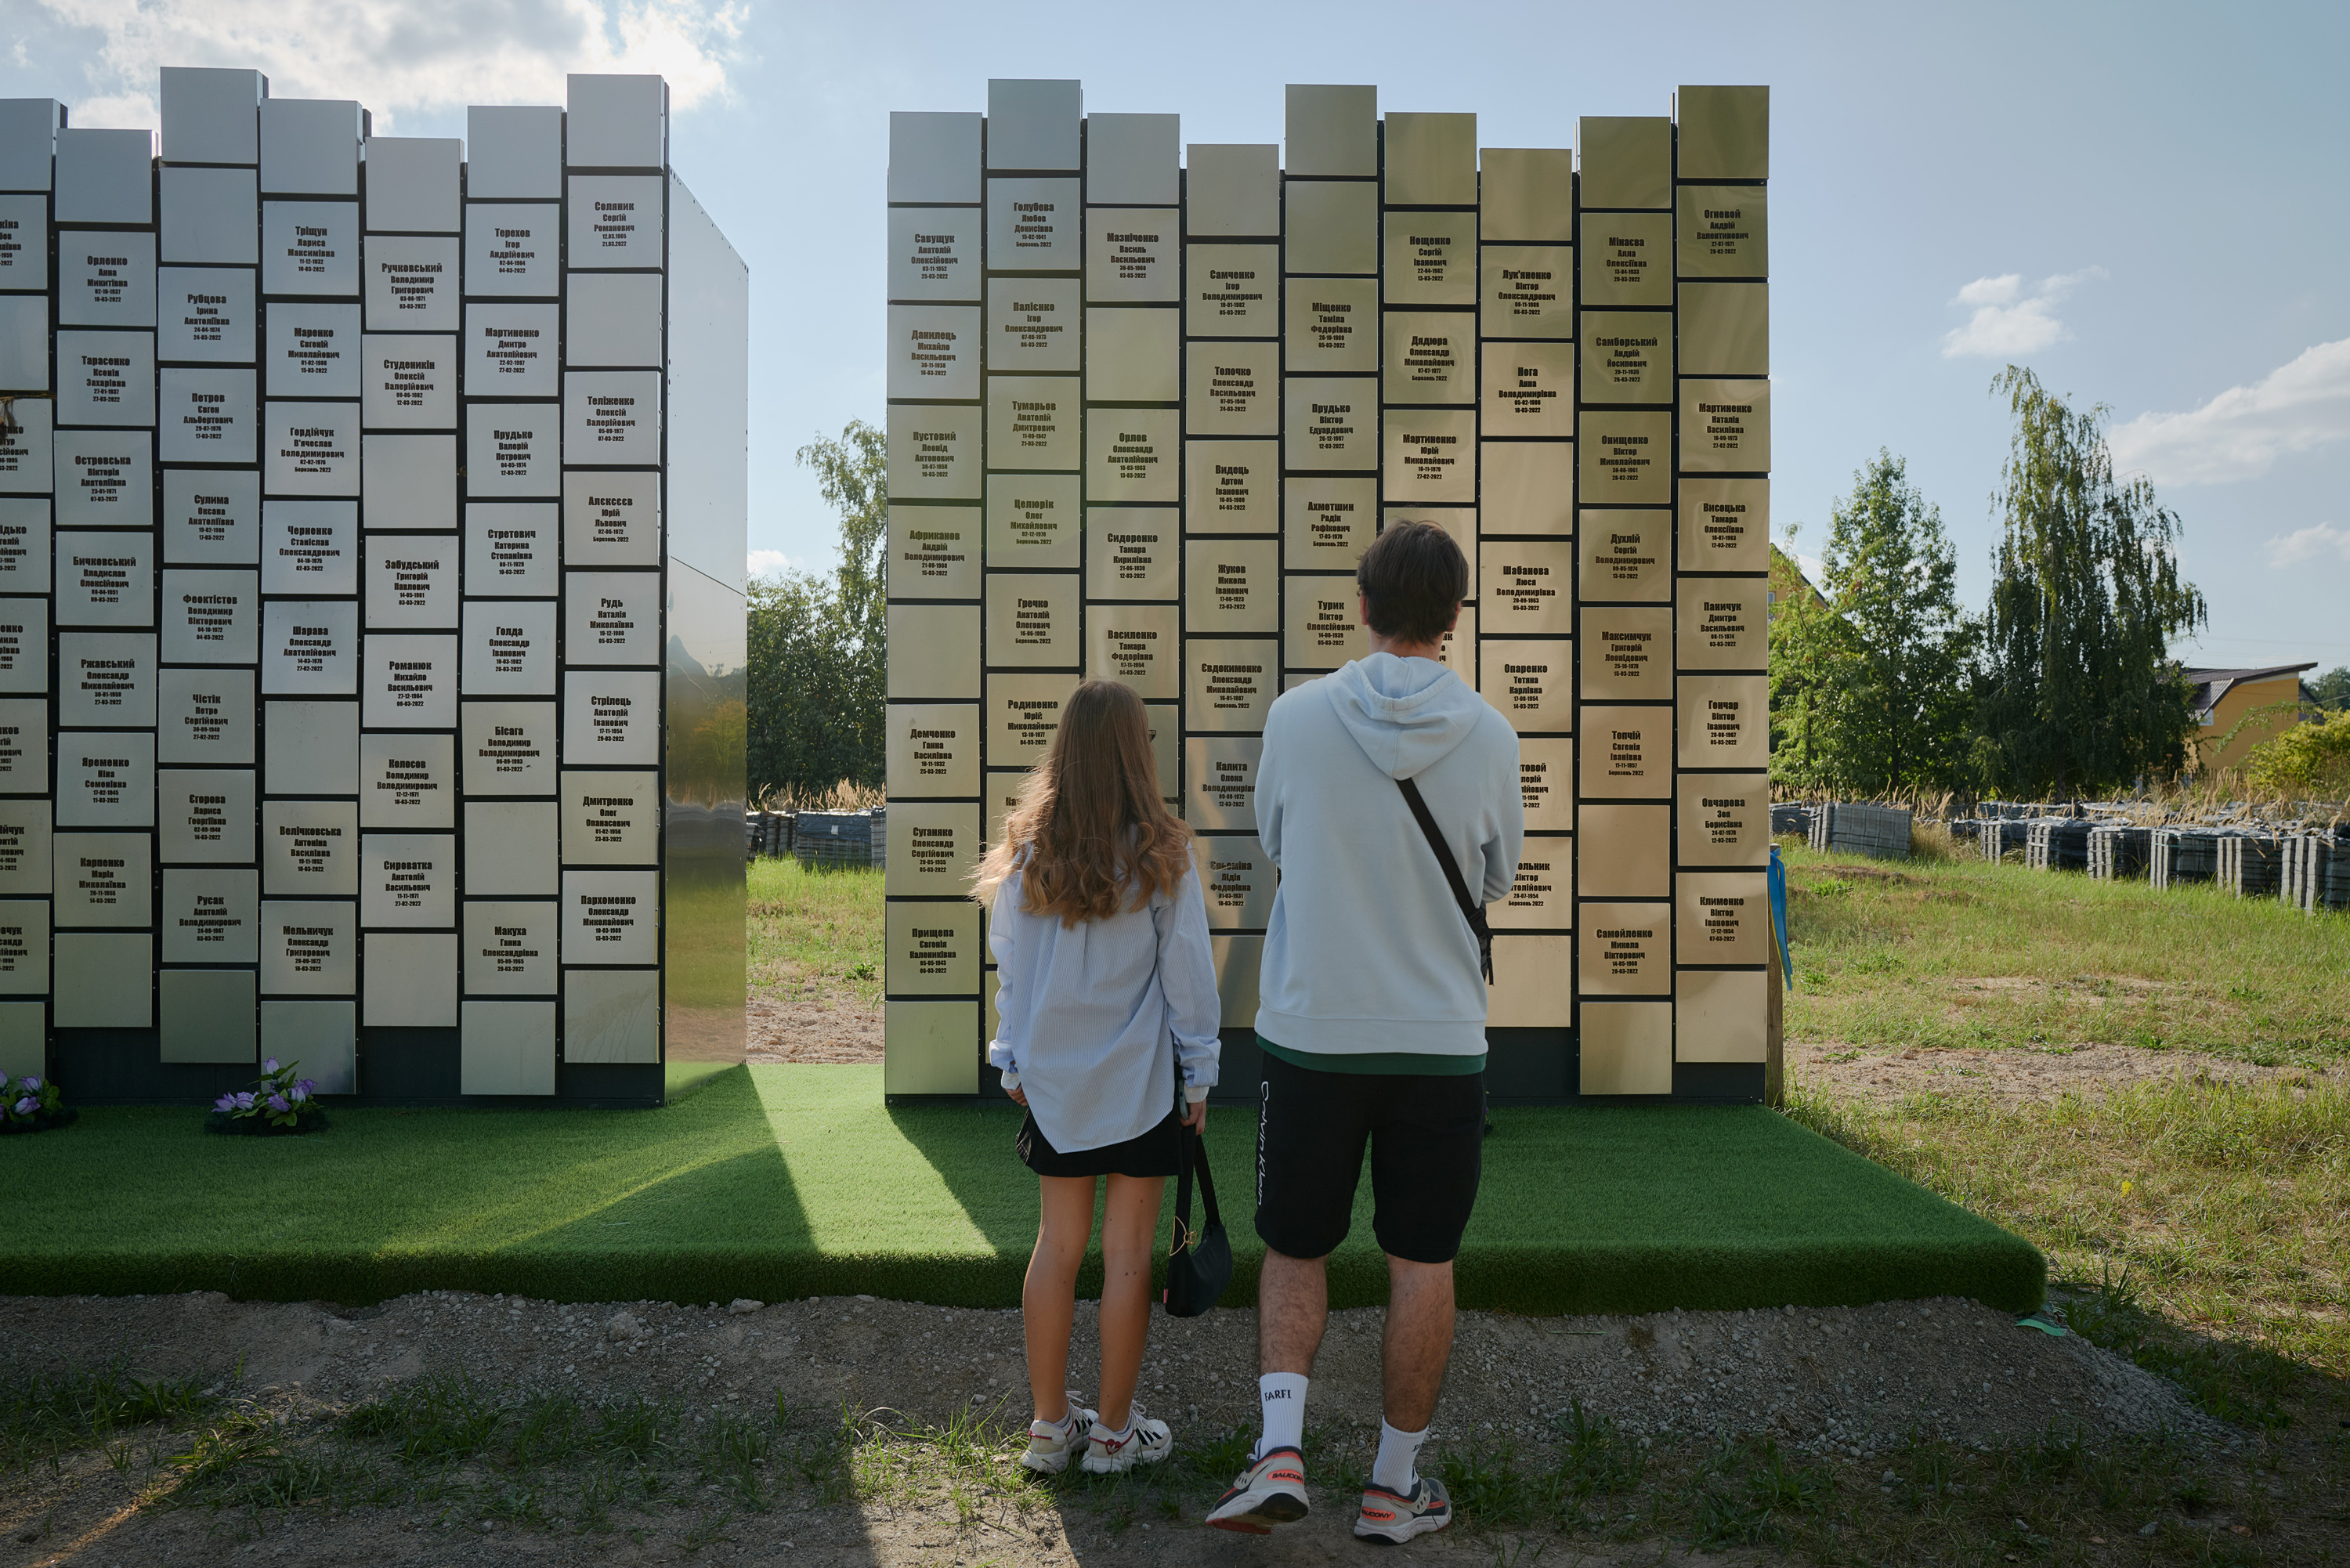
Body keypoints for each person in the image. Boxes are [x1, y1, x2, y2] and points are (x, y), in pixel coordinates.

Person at [1204, 522, 1523, 1542]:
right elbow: (1500, 879)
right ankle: (1392, 1486)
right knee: (1421, 1258)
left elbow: (1277, 838)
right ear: (1456, 619)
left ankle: (1280, 1451)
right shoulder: (1491, 735)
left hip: (1311, 1037)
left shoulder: (1296, 720)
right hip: (1438, 1041)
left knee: (1296, 1242)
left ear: (1362, 604)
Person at [975, 678, 1221, 1476]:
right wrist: (1199, 1075)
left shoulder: (1026, 853)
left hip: (1054, 1082)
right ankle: (1115, 1435)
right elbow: (1188, 979)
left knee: (1055, 1246)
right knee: (1126, 1256)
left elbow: (1011, 967)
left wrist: (1008, 1052)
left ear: (1065, 752)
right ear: (1133, 752)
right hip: (1142, 1083)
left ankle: (1050, 1428)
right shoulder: (1161, 852)